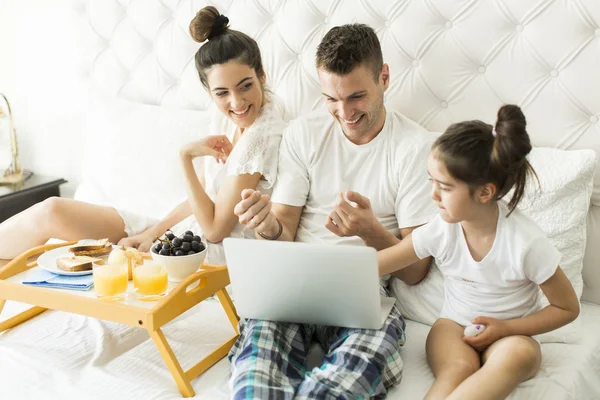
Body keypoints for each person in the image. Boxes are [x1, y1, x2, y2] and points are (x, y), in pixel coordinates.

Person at [231, 23, 437, 399]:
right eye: (331, 99)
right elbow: (284, 233)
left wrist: (370, 230)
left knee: (338, 389)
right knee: (252, 384)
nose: (344, 113)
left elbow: (416, 270)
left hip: (362, 294)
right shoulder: (303, 134)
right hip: (293, 283)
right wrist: (267, 226)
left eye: (357, 96)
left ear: (384, 77)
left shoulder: (414, 149)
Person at [0, 6, 287, 265]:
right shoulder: (231, 121)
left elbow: (214, 230)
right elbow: (206, 196)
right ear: (209, 91)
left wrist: (185, 157)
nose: (236, 102)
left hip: (200, 253)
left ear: (262, 74)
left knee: (55, 221)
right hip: (177, 233)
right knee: (52, 210)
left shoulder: (260, 137)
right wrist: (153, 232)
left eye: (245, 86)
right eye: (222, 93)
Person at [377, 105, 580, 400]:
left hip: (513, 335)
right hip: (453, 327)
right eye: (430, 181)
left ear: (484, 192)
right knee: (459, 367)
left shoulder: (526, 243)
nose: (432, 194)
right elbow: (381, 262)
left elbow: (567, 308)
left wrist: (505, 328)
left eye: (444, 187)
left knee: (516, 357)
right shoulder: (441, 229)